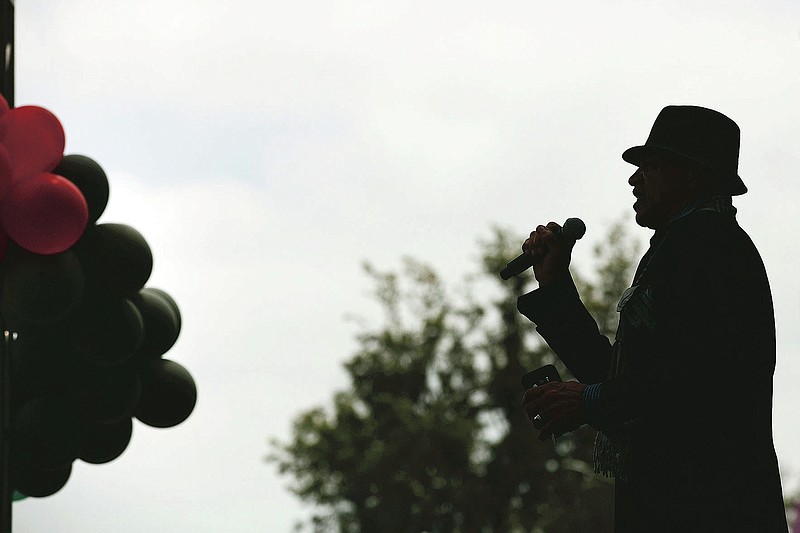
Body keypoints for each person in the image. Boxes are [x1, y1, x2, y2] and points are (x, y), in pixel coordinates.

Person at [518, 105, 787, 532]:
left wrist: (587, 401)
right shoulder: (683, 247)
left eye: (651, 165)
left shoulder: (710, 248)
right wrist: (555, 288)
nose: (634, 177)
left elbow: (698, 385)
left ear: (693, 176)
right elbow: (626, 378)